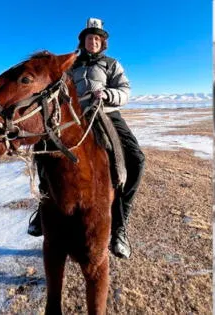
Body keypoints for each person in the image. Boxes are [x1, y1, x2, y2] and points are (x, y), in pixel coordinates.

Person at [28, 18, 145, 260]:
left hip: (106, 114)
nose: (92, 41)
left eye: (97, 38)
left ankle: (121, 226)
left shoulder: (111, 64)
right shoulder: (71, 65)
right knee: (43, 150)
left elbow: (125, 91)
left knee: (136, 159)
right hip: (72, 117)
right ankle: (43, 209)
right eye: (88, 37)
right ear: (82, 41)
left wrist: (108, 93)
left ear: (102, 43)